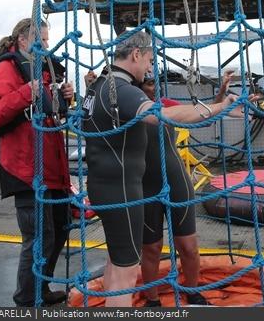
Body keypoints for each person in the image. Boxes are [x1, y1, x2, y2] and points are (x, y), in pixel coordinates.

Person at [81, 31, 238, 307]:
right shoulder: (123, 91)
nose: (149, 69)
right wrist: (221, 107)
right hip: (123, 190)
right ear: (136, 55)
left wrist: (219, 102)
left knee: (117, 264)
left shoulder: (97, 88)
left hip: (108, 185)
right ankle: (147, 300)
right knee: (125, 275)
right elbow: (162, 115)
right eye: (149, 60)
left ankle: (191, 292)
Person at [0, 18, 74, 307]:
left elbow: (52, 113)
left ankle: (39, 290)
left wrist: (65, 98)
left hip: (51, 170)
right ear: (23, 40)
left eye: (46, 40)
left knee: (61, 228)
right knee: (40, 236)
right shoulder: (6, 71)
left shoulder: (43, 71)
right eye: (41, 41)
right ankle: (27, 298)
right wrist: (25, 93)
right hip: (26, 170)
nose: (46, 45)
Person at [138, 72, 234, 307]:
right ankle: (152, 301)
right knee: (151, 248)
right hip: (145, 187)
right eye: (150, 83)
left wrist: (221, 94)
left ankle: (192, 292)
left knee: (189, 246)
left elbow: (204, 117)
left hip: (176, 182)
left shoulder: (166, 107)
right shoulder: (128, 110)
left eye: (157, 82)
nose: (156, 87)